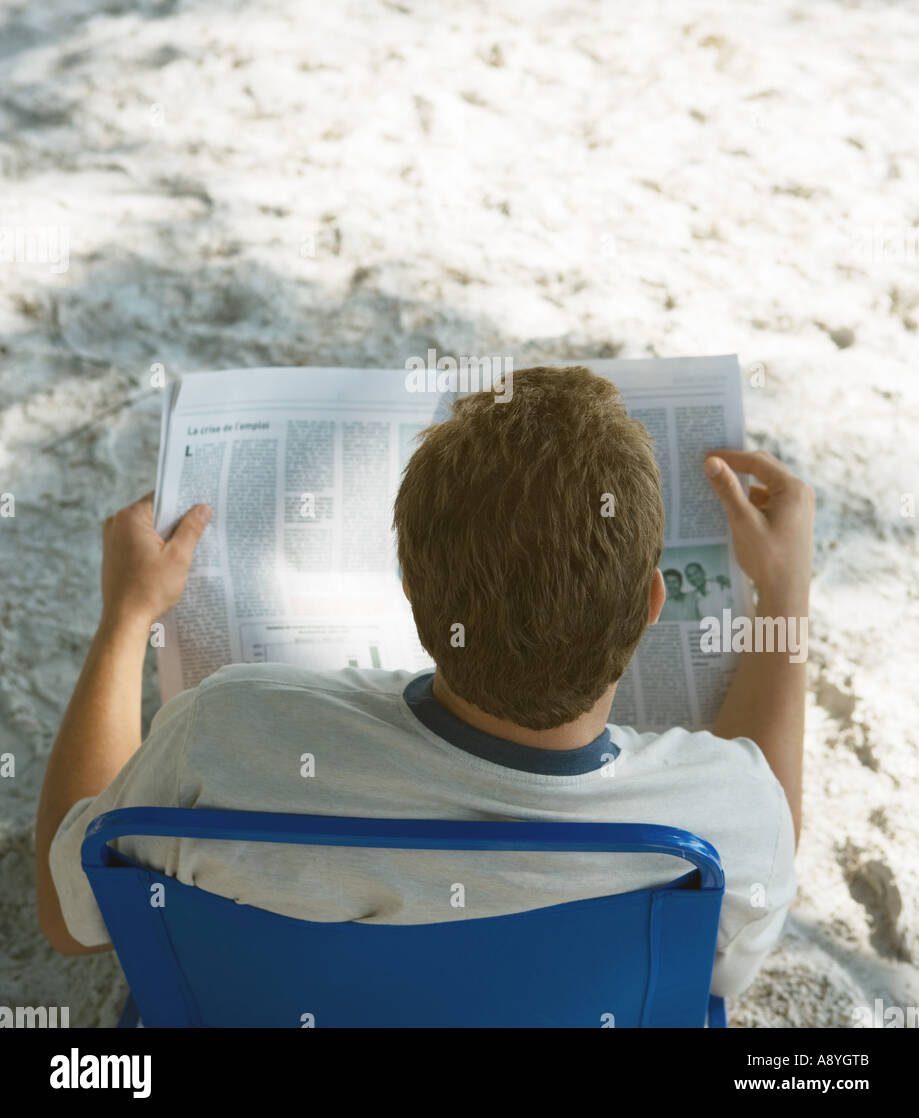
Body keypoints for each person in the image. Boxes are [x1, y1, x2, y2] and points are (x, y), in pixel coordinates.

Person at [35, 366, 814, 1002]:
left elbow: (69, 915)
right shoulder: (722, 824)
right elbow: (737, 914)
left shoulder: (217, 733)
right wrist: (781, 598)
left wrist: (126, 620)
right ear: (652, 603)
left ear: (410, 586)